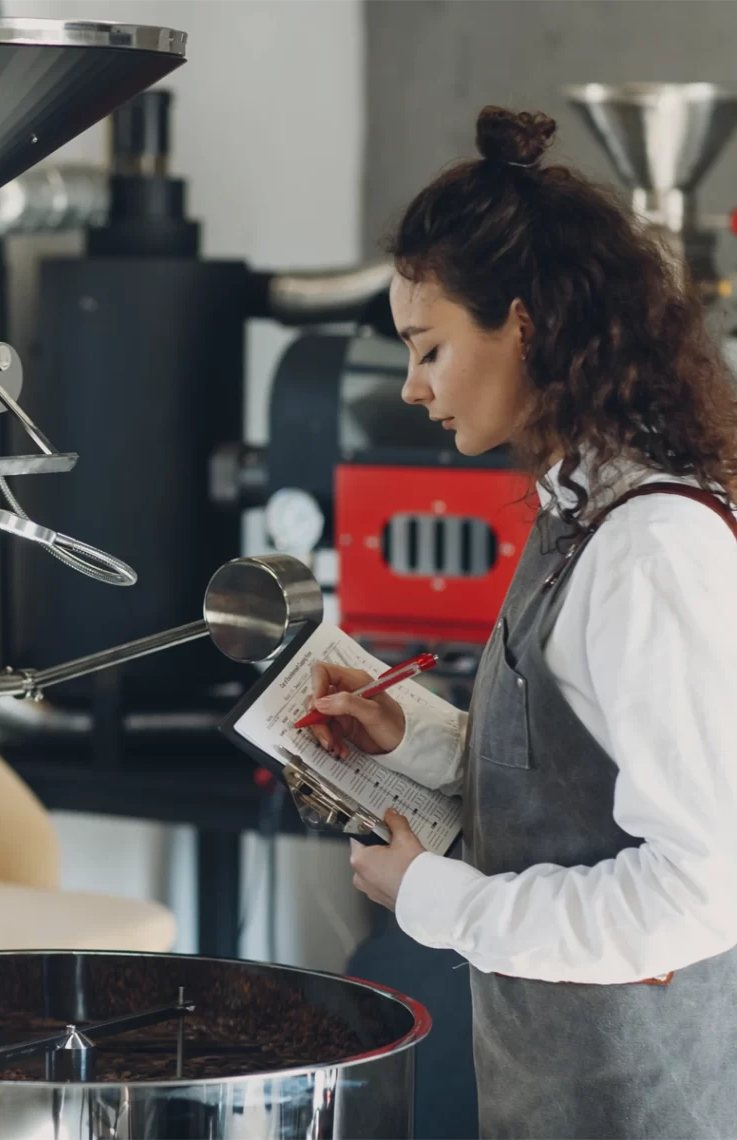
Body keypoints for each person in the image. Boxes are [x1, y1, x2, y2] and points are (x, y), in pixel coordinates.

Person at [308, 105, 737, 1140]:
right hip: (557, 1090)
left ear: (526, 325)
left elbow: (704, 883)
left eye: (430, 349)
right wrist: (409, 734)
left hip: (645, 1105)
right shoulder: (573, 513)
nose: (411, 387)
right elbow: (574, 780)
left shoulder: (648, 552)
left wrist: (434, 900)